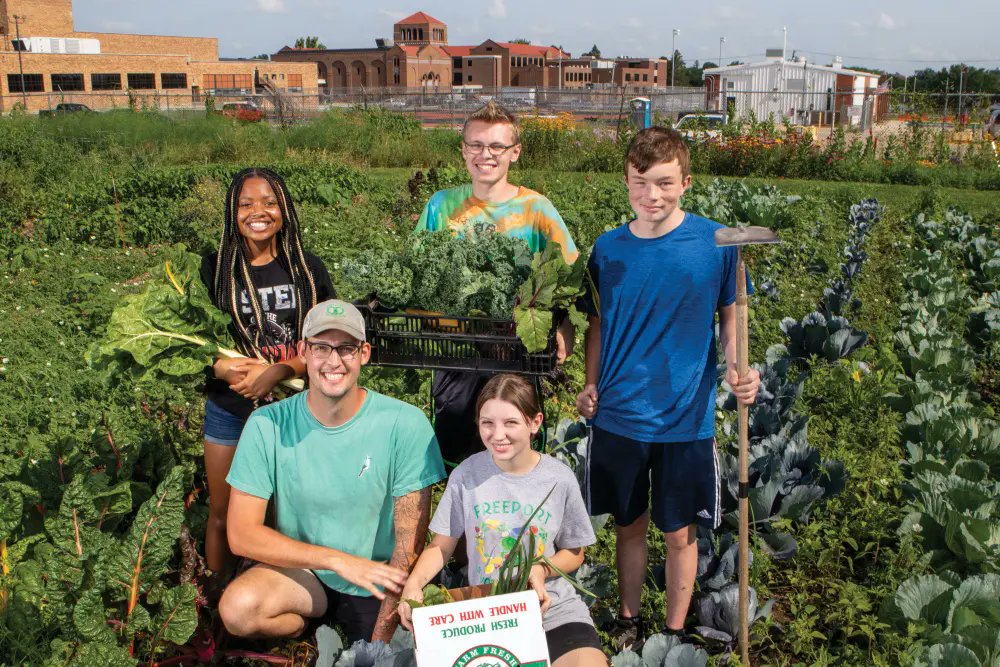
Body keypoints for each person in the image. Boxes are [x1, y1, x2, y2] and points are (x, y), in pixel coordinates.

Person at [576, 127, 761, 649]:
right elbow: (597, 325)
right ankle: (630, 620)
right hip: (620, 413)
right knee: (628, 525)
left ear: (685, 181)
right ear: (626, 181)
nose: (650, 195)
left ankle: (674, 631)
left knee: (680, 532)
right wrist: (590, 385)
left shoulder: (717, 243)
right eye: (639, 183)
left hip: (686, 414)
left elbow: (731, 318)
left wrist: (737, 368)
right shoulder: (607, 250)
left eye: (663, 183)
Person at [217, 300, 446, 643]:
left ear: (364, 353)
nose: (333, 361)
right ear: (303, 352)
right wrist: (338, 561)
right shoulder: (268, 423)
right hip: (305, 573)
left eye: (346, 348)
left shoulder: (405, 423)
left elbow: (407, 547)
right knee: (238, 608)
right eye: (322, 347)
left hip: (376, 577)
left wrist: (379, 646)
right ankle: (300, 630)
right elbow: (241, 534)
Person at [398, 374, 606, 667]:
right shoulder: (465, 476)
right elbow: (441, 547)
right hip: (489, 616)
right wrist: (414, 585)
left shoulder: (558, 478)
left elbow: (575, 552)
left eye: (511, 422)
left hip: (552, 611)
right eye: (487, 423)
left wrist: (541, 569)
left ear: (535, 423)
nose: (498, 434)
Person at [415, 101, 579, 466]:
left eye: (496, 147)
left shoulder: (536, 210)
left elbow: (570, 278)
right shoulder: (441, 206)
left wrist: (565, 326)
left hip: (518, 352)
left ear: (514, 153)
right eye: (475, 145)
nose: (484, 155)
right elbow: (417, 272)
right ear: (463, 149)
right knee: (456, 458)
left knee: (511, 453)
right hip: (456, 354)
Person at [199, 167, 335, 577]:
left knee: (283, 516)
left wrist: (280, 370)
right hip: (229, 409)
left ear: (285, 209)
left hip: (292, 409)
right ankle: (215, 604)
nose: (258, 212)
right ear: (231, 211)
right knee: (223, 513)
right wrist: (224, 370)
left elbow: (326, 340)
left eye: (269, 202)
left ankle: (280, 595)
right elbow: (196, 338)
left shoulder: (307, 269)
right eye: (246, 204)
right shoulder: (213, 269)